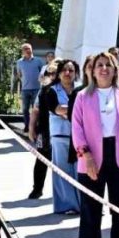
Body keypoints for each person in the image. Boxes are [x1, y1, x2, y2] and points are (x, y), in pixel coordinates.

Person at [72, 52, 119, 238]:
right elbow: (77, 129)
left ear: (115, 68)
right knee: (90, 210)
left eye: (108, 65)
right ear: (92, 70)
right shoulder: (82, 97)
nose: (104, 69)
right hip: (91, 157)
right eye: (99, 65)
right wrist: (85, 155)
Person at [40, 59, 81, 215]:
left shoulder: (80, 89)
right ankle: (66, 205)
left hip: (79, 136)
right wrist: (77, 110)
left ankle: (83, 204)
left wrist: (69, 111)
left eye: (71, 70)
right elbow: (56, 109)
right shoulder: (51, 90)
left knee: (80, 171)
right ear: (59, 73)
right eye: (65, 70)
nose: (68, 73)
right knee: (63, 171)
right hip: (60, 135)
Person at [27, 64, 57, 200]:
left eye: (56, 72)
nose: (53, 76)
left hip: (63, 133)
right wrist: (31, 128)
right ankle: (37, 189)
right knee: (41, 160)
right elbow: (36, 110)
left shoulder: (70, 89)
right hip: (44, 130)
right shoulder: (43, 91)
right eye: (51, 73)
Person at [15, 43, 46, 127]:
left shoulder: (38, 61)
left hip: (36, 89)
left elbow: (43, 73)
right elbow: (19, 73)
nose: (27, 50)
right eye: (25, 49)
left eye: (29, 48)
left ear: (32, 49)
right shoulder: (19, 62)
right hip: (25, 89)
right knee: (25, 109)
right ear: (22, 51)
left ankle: (35, 126)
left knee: (35, 108)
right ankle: (26, 125)